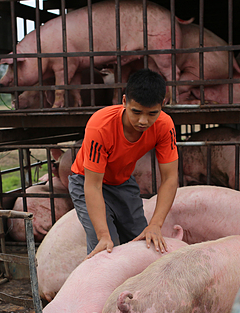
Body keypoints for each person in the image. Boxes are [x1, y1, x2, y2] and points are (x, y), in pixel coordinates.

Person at [68, 68, 179, 258]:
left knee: (142, 241)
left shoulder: (164, 125)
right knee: (105, 249)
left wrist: (155, 224)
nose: (143, 121)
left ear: (163, 105)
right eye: (136, 112)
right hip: (87, 181)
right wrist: (103, 235)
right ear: (124, 101)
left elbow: (170, 178)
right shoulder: (100, 125)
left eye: (152, 114)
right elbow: (93, 185)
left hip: (123, 182)